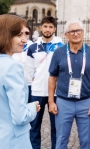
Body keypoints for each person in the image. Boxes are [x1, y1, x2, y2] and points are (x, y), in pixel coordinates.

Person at [0, 14, 40, 149]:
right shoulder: (12, 67)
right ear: (5, 35)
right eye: (19, 35)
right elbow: (20, 117)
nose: (25, 39)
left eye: (26, 34)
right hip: (13, 140)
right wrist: (32, 108)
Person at [48, 19, 90, 149]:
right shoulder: (59, 52)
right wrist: (51, 101)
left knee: (86, 141)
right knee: (61, 140)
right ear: (66, 34)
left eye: (78, 31)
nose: (76, 33)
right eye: (72, 31)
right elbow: (52, 78)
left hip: (85, 102)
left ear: (83, 32)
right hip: (63, 102)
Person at [27, 16, 64, 149]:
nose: (47, 29)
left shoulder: (61, 47)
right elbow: (29, 72)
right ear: (41, 27)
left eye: (50, 27)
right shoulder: (32, 48)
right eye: (45, 26)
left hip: (55, 93)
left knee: (56, 127)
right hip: (36, 92)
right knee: (34, 126)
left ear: (54, 28)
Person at [12, 24, 33, 103]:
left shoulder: (33, 46)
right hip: (15, 83)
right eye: (21, 33)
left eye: (27, 33)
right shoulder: (12, 46)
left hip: (29, 83)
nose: (24, 35)